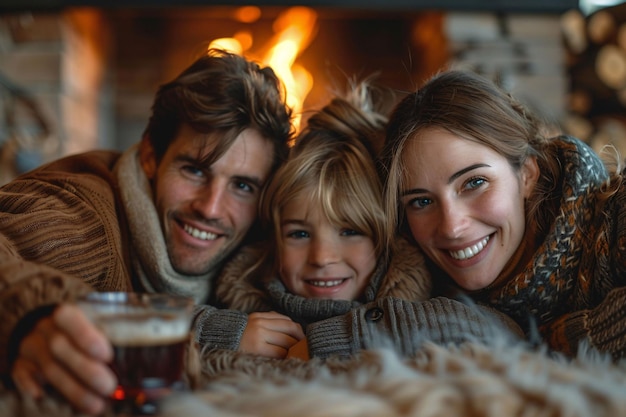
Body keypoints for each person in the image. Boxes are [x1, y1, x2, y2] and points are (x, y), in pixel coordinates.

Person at [0, 49, 304, 416]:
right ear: (149, 155)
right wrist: (29, 316)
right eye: (194, 170)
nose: (209, 208)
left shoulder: (262, 244)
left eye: (242, 186)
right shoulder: (82, 220)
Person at [216, 80, 526, 360]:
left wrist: (326, 339)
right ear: (273, 237)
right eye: (298, 234)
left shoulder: (422, 295)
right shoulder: (241, 298)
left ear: (388, 237)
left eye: (350, 231)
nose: (322, 258)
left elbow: (496, 326)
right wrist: (226, 331)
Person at [381, 68, 626, 361]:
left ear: (527, 174)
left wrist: (560, 341)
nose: (452, 227)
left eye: (474, 183)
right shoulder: (431, 285)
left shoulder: (616, 215)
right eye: (421, 201)